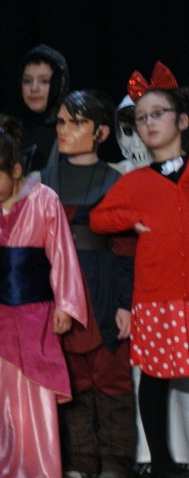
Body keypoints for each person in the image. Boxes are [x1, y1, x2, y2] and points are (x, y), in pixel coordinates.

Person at [0, 113, 88, 478]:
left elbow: (61, 254)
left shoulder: (45, 200)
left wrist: (65, 305)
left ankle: (39, 467)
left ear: (15, 171)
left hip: (33, 313)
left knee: (32, 390)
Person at [90, 62, 189, 478]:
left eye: (157, 114)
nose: (148, 123)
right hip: (156, 297)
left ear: (182, 121)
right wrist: (131, 219)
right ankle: (162, 462)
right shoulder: (134, 182)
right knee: (154, 379)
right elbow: (98, 218)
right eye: (142, 117)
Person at [40, 90, 135, 478]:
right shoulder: (45, 181)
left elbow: (126, 249)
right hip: (58, 291)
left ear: (101, 133)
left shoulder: (116, 181)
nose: (65, 130)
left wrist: (125, 303)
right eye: (62, 122)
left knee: (110, 376)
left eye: (77, 123)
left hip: (102, 286)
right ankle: (80, 457)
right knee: (72, 377)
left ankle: (115, 459)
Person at [17, 44, 70, 174]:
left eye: (44, 81)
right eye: (27, 81)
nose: (34, 88)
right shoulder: (13, 130)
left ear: (58, 84)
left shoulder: (69, 132)